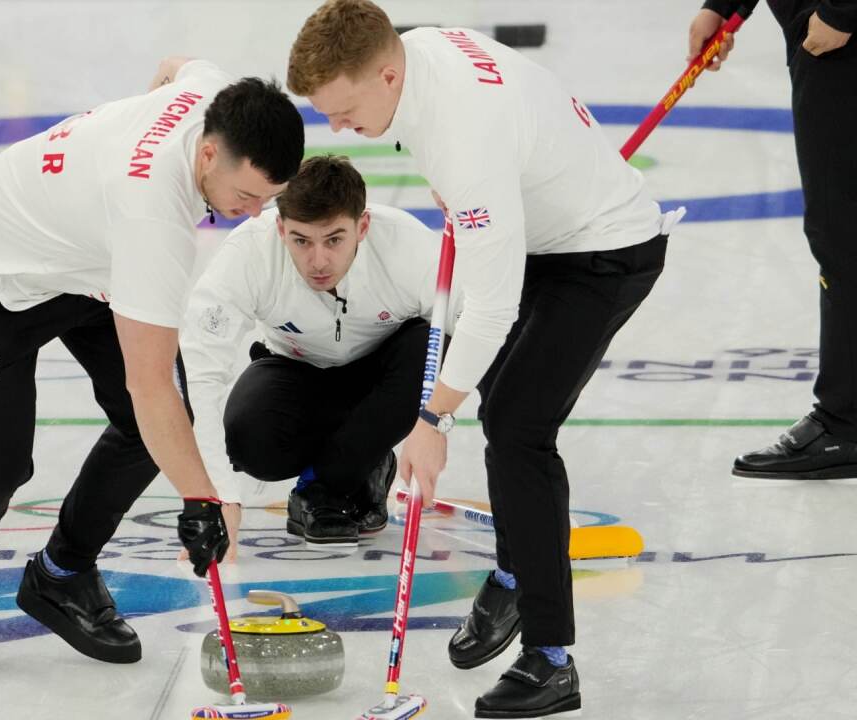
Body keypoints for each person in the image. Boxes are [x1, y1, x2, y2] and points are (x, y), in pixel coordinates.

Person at [288, 2, 681, 717]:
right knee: (501, 398)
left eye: (343, 111)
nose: (337, 129)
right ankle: (515, 569)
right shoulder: (418, 55)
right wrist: (479, 202)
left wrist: (433, 416)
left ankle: (551, 659)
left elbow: (494, 309)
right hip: (539, 231)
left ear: (386, 73)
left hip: (603, 253)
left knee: (517, 429)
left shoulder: (461, 134)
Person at [0, 57, 304, 670]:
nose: (253, 214)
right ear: (208, 154)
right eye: (246, 196)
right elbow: (150, 384)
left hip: (88, 264)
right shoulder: (152, 216)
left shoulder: (215, 94)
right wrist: (200, 501)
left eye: (270, 199)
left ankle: (62, 573)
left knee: (145, 430)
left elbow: (179, 64)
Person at [180, 155, 458, 552]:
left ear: (362, 226)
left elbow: (474, 327)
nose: (318, 261)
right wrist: (215, 495)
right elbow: (198, 372)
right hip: (296, 369)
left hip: (386, 374)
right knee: (249, 441)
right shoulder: (248, 254)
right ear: (280, 227)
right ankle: (366, 459)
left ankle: (324, 486)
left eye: (334, 239)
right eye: (301, 241)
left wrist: (436, 419)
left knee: (436, 343)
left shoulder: (409, 247)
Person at [688, 1, 857, 480]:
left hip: (837, 42)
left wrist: (843, 11)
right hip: (827, 38)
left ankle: (844, 423)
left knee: (842, 234)